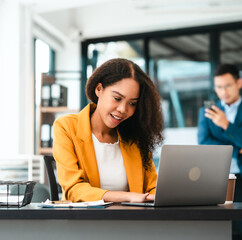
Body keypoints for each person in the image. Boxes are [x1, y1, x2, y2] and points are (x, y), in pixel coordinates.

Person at [52, 58, 163, 203]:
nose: (123, 109)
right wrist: (128, 196)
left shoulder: (135, 136)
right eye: (117, 98)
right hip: (83, 222)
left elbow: (152, 188)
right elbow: (73, 189)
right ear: (99, 90)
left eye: (132, 103)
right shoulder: (66, 127)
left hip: (131, 221)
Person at [197, 64, 242, 240]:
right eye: (219, 87)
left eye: (227, 85)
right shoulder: (207, 112)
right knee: (215, 233)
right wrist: (238, 150)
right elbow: (204, 144)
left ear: (239, 83)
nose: (223, 92)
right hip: (216, 179)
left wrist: (226, 125)